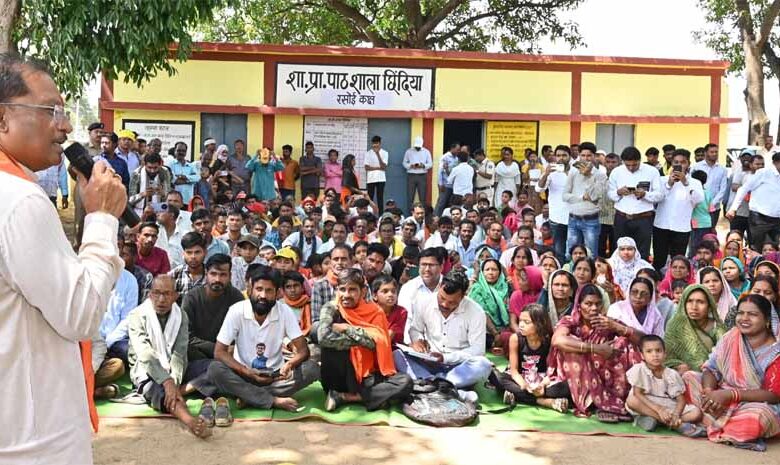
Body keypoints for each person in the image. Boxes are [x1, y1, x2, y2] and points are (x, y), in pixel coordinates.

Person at [207, 265, 320, 411]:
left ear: (277, 293)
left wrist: (289, 365)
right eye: (259, 289)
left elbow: (303, 351)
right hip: (243, 373)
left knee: (312, 369)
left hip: (275, 376)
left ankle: (249, 397)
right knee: (215, 369)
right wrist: (247, 372)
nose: (263, 296)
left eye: (269, 290)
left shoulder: (284, 311)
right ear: (250, 290)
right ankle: (271, 400)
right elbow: (219, 352)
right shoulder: (236, 310)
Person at [683, 294, 780, 452]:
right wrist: (709, 392)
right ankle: (717, 421)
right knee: (689, 377)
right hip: (720, 397)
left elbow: (773, 395)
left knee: (757, 417)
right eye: (741, 313)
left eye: (752, 314)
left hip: (753, 403)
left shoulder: (775, 351)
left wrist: (731, 395)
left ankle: (703, 420)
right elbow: (711, 369)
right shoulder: (731, 337)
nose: (744, 318)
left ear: (767, 319)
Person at [318, 269, 413, 411]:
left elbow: (375, 343)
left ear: (362, 292)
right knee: (316, 331)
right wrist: (360, 339)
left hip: (368, 376)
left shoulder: (375, 312)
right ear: (337, 290)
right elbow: (323, 338)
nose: (346, 295)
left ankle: (346, 397)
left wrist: (347, 329)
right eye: (342, 289)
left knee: (405, 382)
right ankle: (377, 397)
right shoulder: (331, 308)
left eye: (352, 290)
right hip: (339, 376)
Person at [393, 270, 492, 403]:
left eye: (452, 302)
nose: (445, 304)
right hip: (428, 361)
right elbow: (415, 329)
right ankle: (450, 390)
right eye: (442, 298)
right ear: (440, 287)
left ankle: (431, 385)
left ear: (463, 296)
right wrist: (418, 341)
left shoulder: (476, 312)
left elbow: (477, 350)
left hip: (458, 367)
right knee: (396, 355)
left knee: (483, 365)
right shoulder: (423, 302)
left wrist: (445, 358)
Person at [548, 284, 643, 421]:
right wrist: (595, 349)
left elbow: (645, 341)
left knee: (625, 342)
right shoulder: (570, 321)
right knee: (572, 345)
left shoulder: (606, 322)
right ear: (579, 305)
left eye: (598, 304)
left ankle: (627, 398)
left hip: (603, 377)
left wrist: (617, 327)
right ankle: (599, 403)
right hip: (574, 377)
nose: (593, 308)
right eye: (588, 304)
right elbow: (557, 340)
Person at [625, 335, 705, 436]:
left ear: (665, 353)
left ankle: (655, 420)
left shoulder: (671, 374)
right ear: (642, 355)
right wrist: (659, 410)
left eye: (658, 351)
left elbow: (681, 400)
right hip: (646, 402)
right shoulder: (639, 369)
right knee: (631, 400)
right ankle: (676, 425)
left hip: (666, 404)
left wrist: (676, 415)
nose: (655, 355)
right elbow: (638, 394)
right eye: (649, 351)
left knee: (696, 413)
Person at [496, 303, 570, 411]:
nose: (521, 325)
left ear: (539, 323)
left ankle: (517, 395)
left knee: (567, 386)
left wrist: (542, 386)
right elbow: (514, 371)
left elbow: (552, 371)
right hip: (520, 378)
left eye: (526, 322)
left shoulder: (550, 340)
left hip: (543, 380)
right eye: (520, 320)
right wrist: (524, 385)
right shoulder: (515, 339)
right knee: (497, 378)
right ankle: (545, 402)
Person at [607, 146, 664, 259]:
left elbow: (660, 195)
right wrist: (618, 192)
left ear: (640, 160)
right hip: (622, 217)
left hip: (643, 218)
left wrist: (645, 194)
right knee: (620, 252)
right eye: (628, 165)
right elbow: (610, 194)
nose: (631, 168)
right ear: (623, 162)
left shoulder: (652, 171)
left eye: (634, 165)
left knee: (642, 252)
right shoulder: (616, 172)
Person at [653, 149, 705, 271]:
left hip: (681, 227)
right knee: (659, 260)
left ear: (688, 164)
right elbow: (656, 199)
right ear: (672, 163)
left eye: (683, 162)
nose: (679, 165)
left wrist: (685, 183)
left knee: (678, 261)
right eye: (676, 162)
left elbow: (698, 200)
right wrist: (669, 184)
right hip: (661, 225)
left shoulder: (695, 182)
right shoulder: (662, 180)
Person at [663, 284, 727, 374]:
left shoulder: (718, 327)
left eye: (700, 302)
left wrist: (709, 366)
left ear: (709, 306)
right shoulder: (675, 326)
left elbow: (726, 357)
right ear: (683, 304)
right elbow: (666, 358)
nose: (694, 307)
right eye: (689, 301)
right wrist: (678, 366)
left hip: (713, 374)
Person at [726, 152, 780, 248]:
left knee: (773, 249)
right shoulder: (763, 173)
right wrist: (733, 208)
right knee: (757, 247)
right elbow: (744, 189)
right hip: (759, 218)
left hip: (777, 219)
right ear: (776, 162)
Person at [563, 141, 605, 258]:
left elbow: (595, 196)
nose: (586, 159)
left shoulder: (600, 175)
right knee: (570, 254)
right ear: (579, 156)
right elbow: (565, 196)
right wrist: (582, 197)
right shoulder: (573, 172)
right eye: (583, 155)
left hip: (591, 220)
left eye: (589, 156)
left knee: (591, 255)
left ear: (594, 156)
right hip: (573, 218)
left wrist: (589, 176)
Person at [468, 258, 511, 352]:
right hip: (485, 331)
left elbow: (512, 309)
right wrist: (496, 334)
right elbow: (483, 313)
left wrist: (506, 274)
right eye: (487, 270)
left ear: (500, 272)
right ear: (482, 272)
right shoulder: (477, 289)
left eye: (494, 269)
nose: (491, 273)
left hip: (505, 329)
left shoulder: (505, 288)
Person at [536, 145, 571, 260]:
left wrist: (567, 173)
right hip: (557, 218)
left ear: (569, 157)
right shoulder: (551, 172)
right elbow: (539, 189)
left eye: (564, 155)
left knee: (574, 249)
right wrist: (546, 174)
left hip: (574, 217)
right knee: (559, 250)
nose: (561, 158)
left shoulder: (575, 171)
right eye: (558, 155)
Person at [692, 143, 729, 230]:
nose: (714, 154)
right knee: (696, 231)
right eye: (712, 152)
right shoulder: (696, 167)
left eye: (716, 152)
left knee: (710, 232)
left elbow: (723, 189)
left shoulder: (722, 169)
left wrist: (712, 204)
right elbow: (692, 186)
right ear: (705, 153)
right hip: (698, 208)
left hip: (714, 208)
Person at [168, 231, 207, 297]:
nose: (193, 257)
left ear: (205, 252)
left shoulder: (212, 275)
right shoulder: (175, 274)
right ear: (183, 253)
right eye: (189, 252)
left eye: (197, 252)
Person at [371, 274, 407, 346]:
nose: (390, 294)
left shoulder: (401, 312)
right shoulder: (370, 311)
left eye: (393, 291)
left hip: (393, 347)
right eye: (385, 291)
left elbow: (388, 337)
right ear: (375, 296)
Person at [403, 136, 432, 213]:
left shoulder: (426, 152)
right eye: (416, 146)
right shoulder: (409, 151)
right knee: (410, 197)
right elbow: (404, 163)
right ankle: (410, 215)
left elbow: (430, 164)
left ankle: (422, 215)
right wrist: (411, 166)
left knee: (423, 197)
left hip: (422, 175)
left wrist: (423, 166)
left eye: (419, 147)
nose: (417, 148)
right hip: (411, 175)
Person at [282, 271, 313, 337]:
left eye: (296, 285)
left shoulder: (310, 303)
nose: (292, 290)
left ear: (302, 288)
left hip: (307, 337)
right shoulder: (279, 306)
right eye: (288, 287)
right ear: (283, 290)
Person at [435, 143, 460, 216]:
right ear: (452, 148)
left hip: (453, 186)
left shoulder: (457, 158)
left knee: (450, 204)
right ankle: (436, 217)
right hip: (445, 185)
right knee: (441, 203)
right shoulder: (445, 157)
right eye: (457, 149)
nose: (458, 151)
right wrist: (440, 184)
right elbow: (440, 171)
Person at [364, 135, 388, 211]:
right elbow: (366, 168)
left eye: (376, 143)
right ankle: (369, 213)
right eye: (373, 143)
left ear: (379, 143)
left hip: (381, 179)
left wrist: (377, 154)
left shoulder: (385, 153)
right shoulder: (368, 153)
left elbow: (383, 167)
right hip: (371, 179)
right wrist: (378, 168)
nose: (375, 145)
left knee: (380, 198)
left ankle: (380, 215)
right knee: (370, 197)